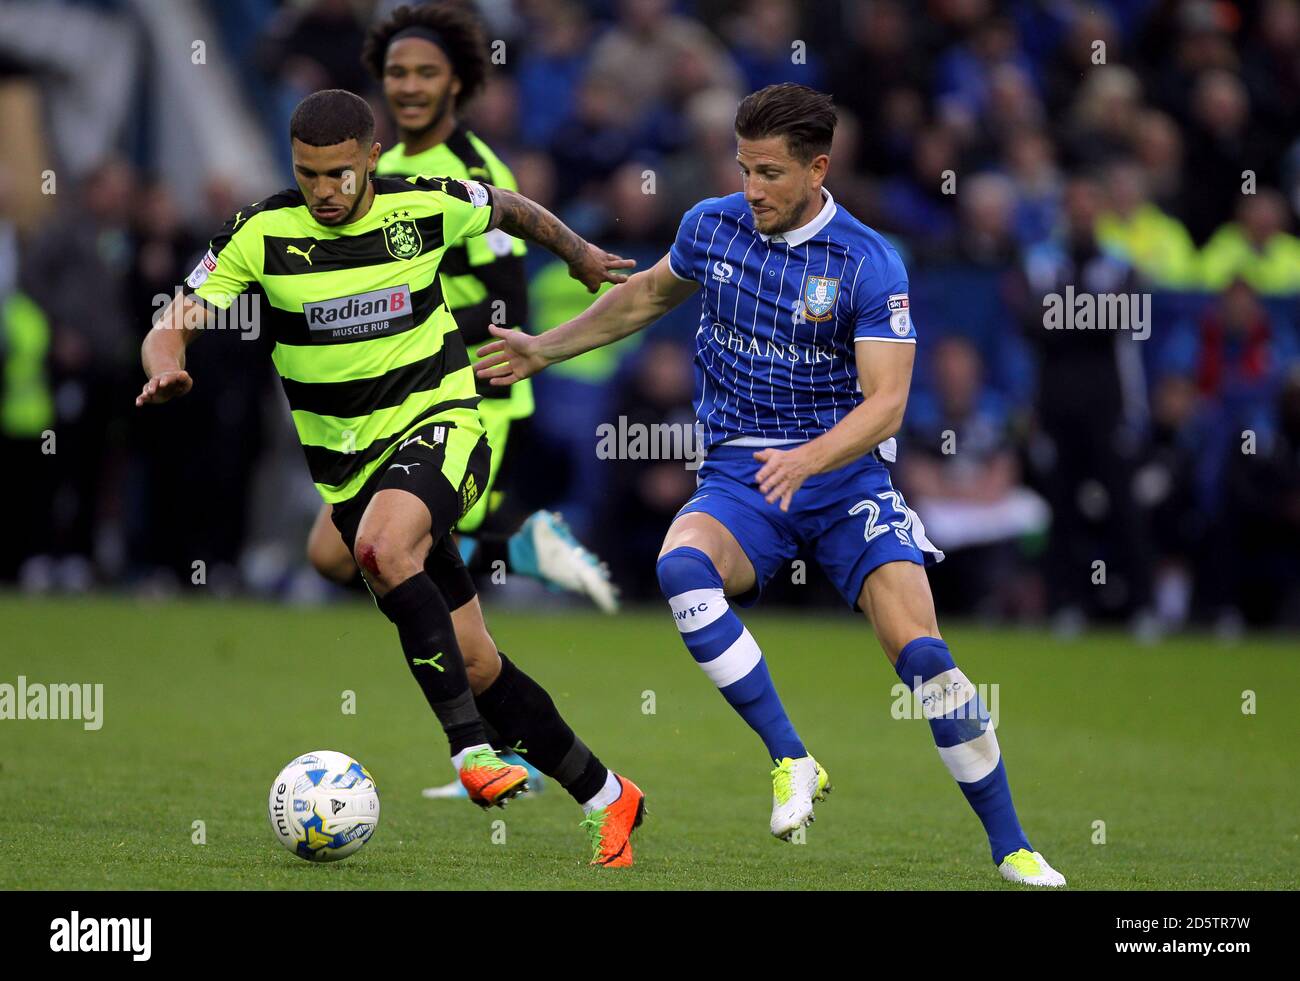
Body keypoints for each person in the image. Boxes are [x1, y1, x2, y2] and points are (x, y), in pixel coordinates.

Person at [476, 83, 1066, 886]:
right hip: (741, 477)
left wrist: (810, 457)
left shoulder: (867, 261)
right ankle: (791, 756)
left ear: (818, 169)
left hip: (844, 479)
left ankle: (1014, 847)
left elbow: (888, 404)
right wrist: (545, 348)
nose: (752, 188)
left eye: (771, 174)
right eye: (744, 167)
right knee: (680, 567)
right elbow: (647, 294)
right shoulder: (711, 226)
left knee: (928, 661)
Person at [135, 89, 645, 867]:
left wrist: (575, 251)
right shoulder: (261, 232)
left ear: (371, 158)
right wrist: (167, 366)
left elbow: (505, 206)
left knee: (381, 545)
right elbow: (173, 319)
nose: (326, 191)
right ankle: (610, 797)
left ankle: (469, 753)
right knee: (474, 663)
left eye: (340, 173)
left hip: (446, 424)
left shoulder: (425, 205)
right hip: (348, 470)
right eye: (309, 174)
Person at [306, 2, 619, 617]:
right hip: (393, 387)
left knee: (398, 552)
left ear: (456, 82)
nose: (411, 86)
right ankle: (513, 544)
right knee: (331, 555)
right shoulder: (381, 167)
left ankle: (479, 653)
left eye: (427, 72)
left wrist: (397, 317)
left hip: (474, 385)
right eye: (399, 73)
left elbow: (511, 299)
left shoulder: (476, 174)